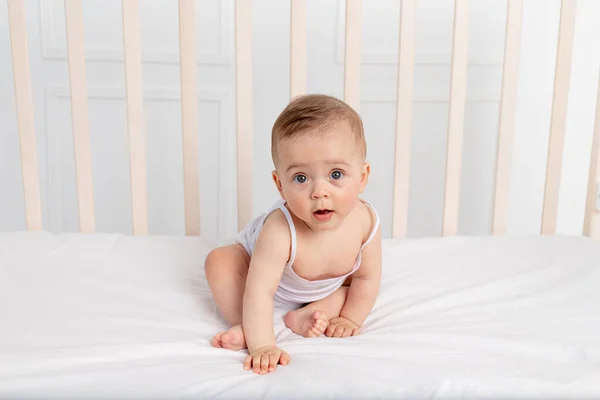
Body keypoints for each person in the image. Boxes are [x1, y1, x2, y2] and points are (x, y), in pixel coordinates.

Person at [204, 94, 382, 375]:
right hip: (257, 280)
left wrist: (350, 318)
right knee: (219, 262)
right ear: (280, 185)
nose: (319, 192)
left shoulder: (366, 221)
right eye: (301, 178)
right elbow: (260, 291)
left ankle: (304, 315)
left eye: (336, 174)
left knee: (351, 291)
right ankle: (247, 326)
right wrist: (262, 345)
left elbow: (367, 277)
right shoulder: (279, 230)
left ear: (362, 177)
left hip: (322, 289)